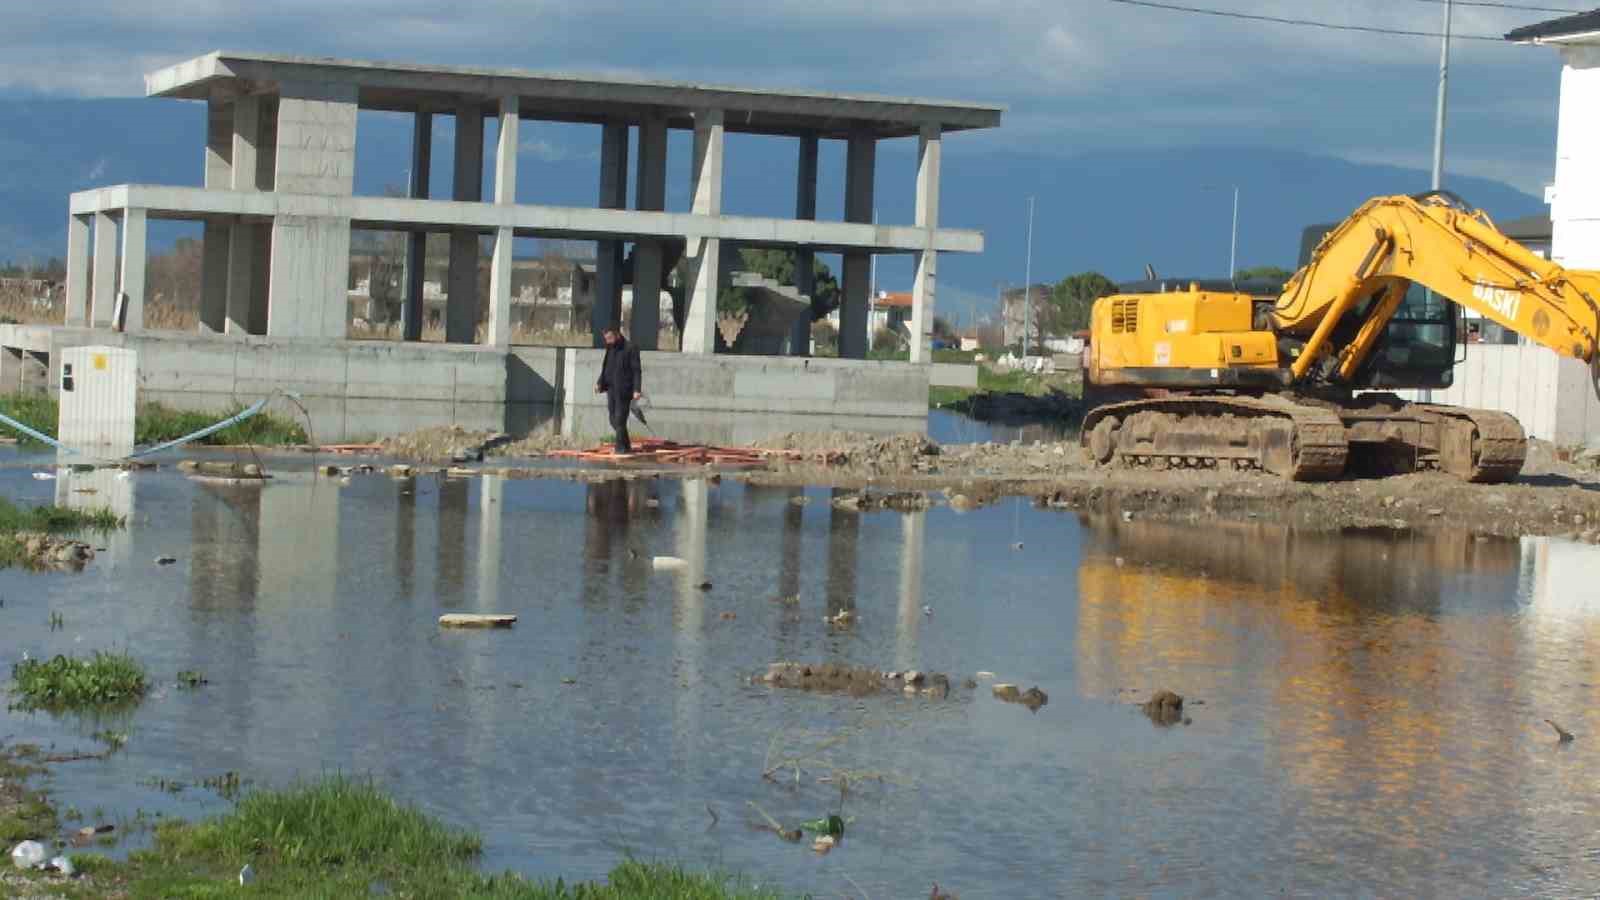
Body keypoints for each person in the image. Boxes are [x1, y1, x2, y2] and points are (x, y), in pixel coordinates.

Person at [595, 325, 642, 454]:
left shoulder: (631, 348)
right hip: (611, 389)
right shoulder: (610, 348)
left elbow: (637, 371)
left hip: (624, 390)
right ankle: (626, 445)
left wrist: (637, 389)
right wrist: (599, 382)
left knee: (620, 419)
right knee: (613, 419)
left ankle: (620, 449)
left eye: (609, 338)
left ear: (617, 334)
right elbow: (606, 368)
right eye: (606, 339)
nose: (607, 341)